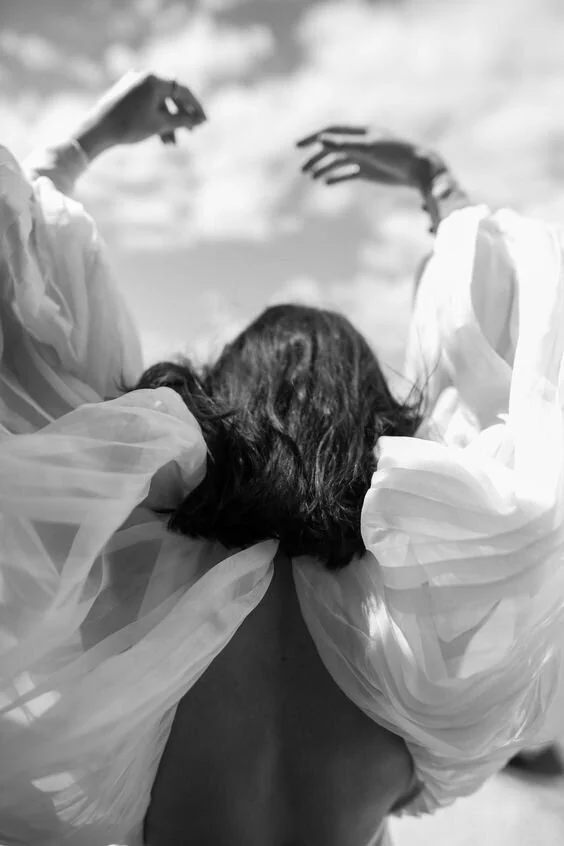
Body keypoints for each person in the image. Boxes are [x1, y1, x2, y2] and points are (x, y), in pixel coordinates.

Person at [1, 72, 564, 846]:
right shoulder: (411, 641)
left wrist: (80, 146)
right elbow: (512, 380)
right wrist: (437, 180)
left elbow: (31, 329)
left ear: (224, 400)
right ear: (370, 419)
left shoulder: (140, 581)